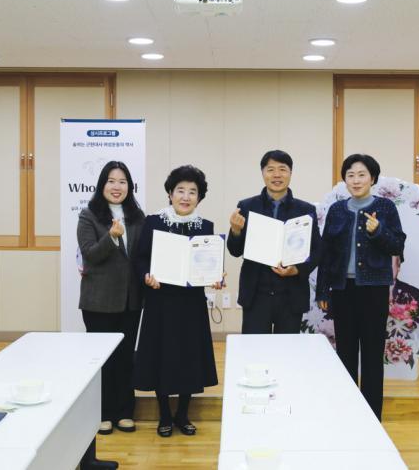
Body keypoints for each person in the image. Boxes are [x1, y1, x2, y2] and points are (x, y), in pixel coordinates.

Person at [316, 154, 406, 420]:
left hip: (374, 290)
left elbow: (397, 245)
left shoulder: (386, 208)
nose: (356, 180)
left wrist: (378, 231)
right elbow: (326, 253)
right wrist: (323, 290)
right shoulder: (336, 210)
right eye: (350, 175)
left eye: (362, 174)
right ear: (345, 179)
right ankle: (347, 413)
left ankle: (371, 417)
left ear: (373, 178)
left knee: (371, 354)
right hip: (343, 290)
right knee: (345, 353)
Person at [133, 165, 220, 438]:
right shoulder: (154, 222)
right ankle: (164, 414)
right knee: (162, 355)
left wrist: (215, 278)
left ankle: (183, 413)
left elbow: (209, 264)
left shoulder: (205, 227)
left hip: (191, 303)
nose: (186, 196)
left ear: (199, 197)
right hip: (160, 301)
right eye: (180, 190)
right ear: (170, 193)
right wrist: (146, 276)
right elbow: (140, 259)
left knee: (188, 357)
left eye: (192, 192)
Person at [77, 161, 145, 435]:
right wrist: (112, 237)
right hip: (99, 301)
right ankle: (102, 413)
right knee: (102, 360)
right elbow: (90, 254)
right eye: (111, 181)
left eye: (122, 182)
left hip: (131, 300)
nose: (117, 187)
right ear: (102, 185)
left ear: (129, 186)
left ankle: (125, 412)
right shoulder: (88, 215)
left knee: (126, 358)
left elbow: (143, 256)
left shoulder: (138, 216)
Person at [227, 150, 321, 334]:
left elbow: (317, 250)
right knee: (255, 348)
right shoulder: (246, 206)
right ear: (262, 173)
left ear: (290, 173)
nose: (277, 175)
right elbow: (235, 251)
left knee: (287, 349)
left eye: (282, 169)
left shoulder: (305, 210)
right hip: (256, 295)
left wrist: (297, 270)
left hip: (291, 295)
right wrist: (235, 231)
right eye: (270, 169)